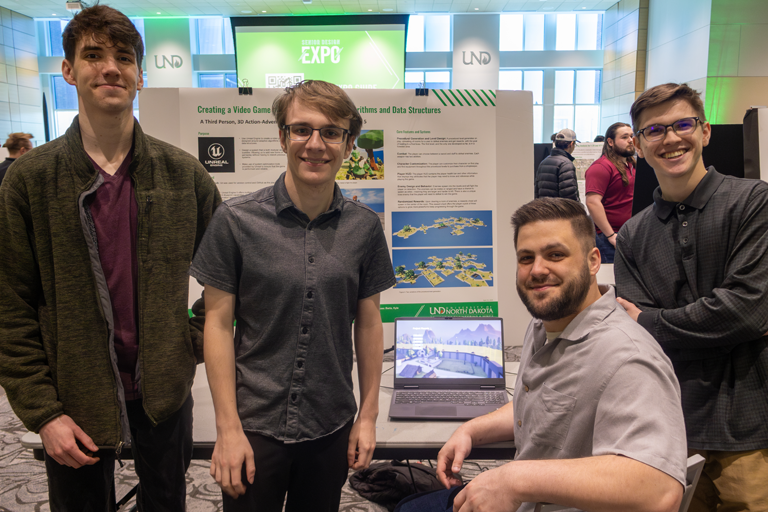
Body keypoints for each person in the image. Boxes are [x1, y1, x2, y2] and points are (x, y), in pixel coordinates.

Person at [0, 5, 221, 510]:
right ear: (68, 71)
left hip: (163, 397)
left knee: (165, 503)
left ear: (140, 75)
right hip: (72, 399)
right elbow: (9, 306)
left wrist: (187, 342)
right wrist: (43, 412)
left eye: (124, 57)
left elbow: (231, 279)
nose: (110, 68)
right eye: (93, 55)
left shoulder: (183, 176)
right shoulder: (31, 179)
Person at [396, 198, 687, 512]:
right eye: (526, 258)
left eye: (555, 255)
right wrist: (471, 430)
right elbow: (544, 407)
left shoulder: (627, 357)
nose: (537, 270)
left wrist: (514, 479)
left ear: (592, 262)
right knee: (408, 505)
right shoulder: (545, 325)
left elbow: (660, 489)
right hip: (521, 500)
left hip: (531, 499)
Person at [189, 80, 396, 512]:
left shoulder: (364, 227)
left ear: (349, 142)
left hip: (330, 425)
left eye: (331, 132)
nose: (315, 144)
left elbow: (370, 322)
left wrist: (368, 417)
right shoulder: (236, 220)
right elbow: (216, 324)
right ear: (282, 136)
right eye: (302, 129)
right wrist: (227, 428)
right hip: (254, 427)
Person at [615, 83, 768, 512]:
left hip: (751, 430)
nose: (671, 138)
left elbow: (747, 309)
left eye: (683, 124)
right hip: (668, 434)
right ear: (640, 145)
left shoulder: (754, 203)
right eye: (655, 131)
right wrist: (724, 321)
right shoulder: (632, 235)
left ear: (705, 132)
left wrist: (653, 320)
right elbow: (637, 339)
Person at [584, 122, 636, 263]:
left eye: (631, 136)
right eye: (624, 137)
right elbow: (592, 202)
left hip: (629, 234)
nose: (630, 140)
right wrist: (611, 235)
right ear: (610, 142)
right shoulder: (601, 167)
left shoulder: (630, 164)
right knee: (612, 281)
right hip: (609, 238)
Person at [534, 128, 579, 201]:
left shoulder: (544, 162)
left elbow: (537, 191)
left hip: (544, 209)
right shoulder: (566, 164)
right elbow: (569, 197)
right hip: (559, 211)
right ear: (571, 144)